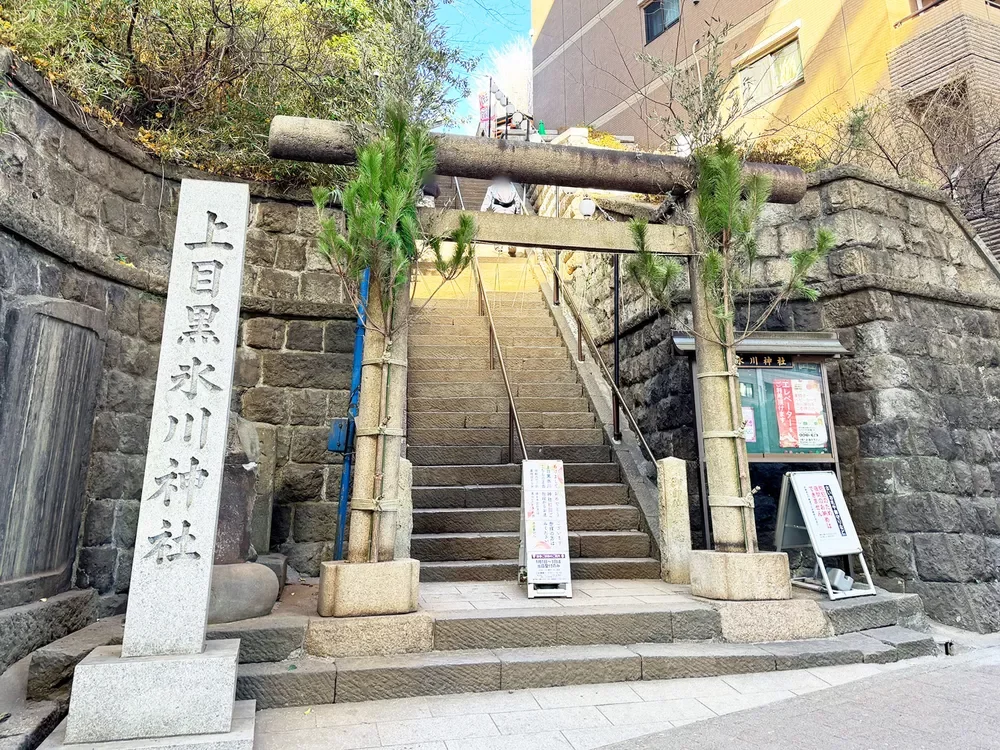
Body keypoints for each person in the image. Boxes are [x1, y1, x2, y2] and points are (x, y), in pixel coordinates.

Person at [480, 177, 525, 257]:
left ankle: (499, 246)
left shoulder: (493, 187)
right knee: (509, 227)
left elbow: (487, 200)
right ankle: (510, 246)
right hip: (509, 207)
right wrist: (517, 212)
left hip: (499, 207)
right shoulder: (512, 187)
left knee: (499, 227)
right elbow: (517, 201)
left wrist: (482, 211)